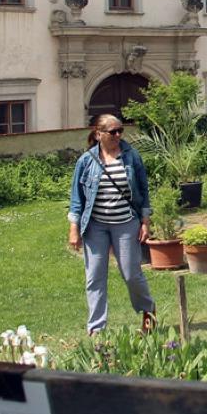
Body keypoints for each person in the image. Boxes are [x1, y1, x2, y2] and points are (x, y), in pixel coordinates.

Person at [67, 114, 156, 334]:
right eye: (112, 132)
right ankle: (96, 328)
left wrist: (145, 221)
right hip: (96, 225)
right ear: (99, 134)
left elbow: (143, 191)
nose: (118, 135)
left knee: (131, 273)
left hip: (126, 222)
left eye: (120, 131)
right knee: (95, 276)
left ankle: (148, 313)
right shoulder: (86, 161)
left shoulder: (131, 156)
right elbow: (77, 198)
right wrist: (74, 229)